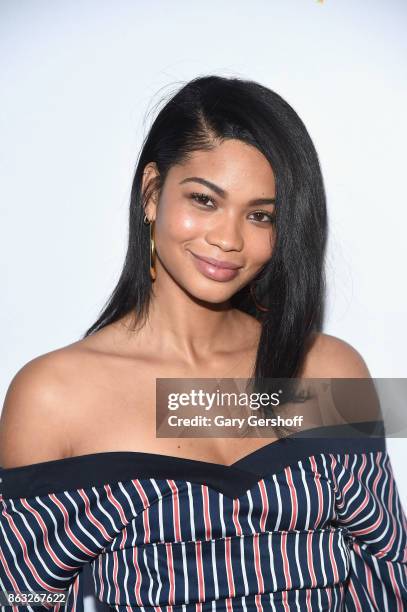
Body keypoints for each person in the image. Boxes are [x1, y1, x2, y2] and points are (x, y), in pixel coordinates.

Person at [0, 75, 406, 611]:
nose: (229, 239)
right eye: (204, 200)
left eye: (261, 215)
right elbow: (21, 596)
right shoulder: (52, 395)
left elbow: (387, 577)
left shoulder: (329, 370)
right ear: (151, 193)